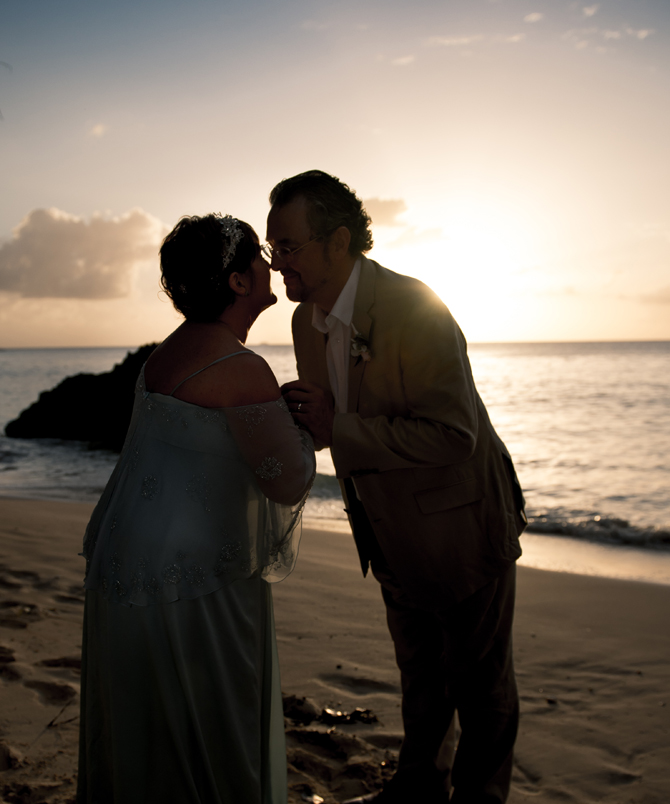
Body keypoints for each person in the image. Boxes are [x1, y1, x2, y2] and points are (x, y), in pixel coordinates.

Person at [266, 171, 526, 804]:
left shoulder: (415, 309)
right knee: (420, 678)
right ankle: (417, 789)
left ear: (340, 241)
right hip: (386, 531)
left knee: (482, 687)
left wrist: (338, 426)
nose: (278, 265)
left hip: (463, 523)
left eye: (289, 248)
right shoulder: (306, 322)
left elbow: (453, 435)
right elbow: (334, 426)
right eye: (274, 250)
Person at [77, 214, 315, 804]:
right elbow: (287, 481)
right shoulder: (241, 367)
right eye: (261, 256)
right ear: (237, 283)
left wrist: (273, 419)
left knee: (148, 724)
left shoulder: (163, 355)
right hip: (194, 576)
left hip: (125, 560)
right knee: (213, 727)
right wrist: (315, 427)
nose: (271, 265)